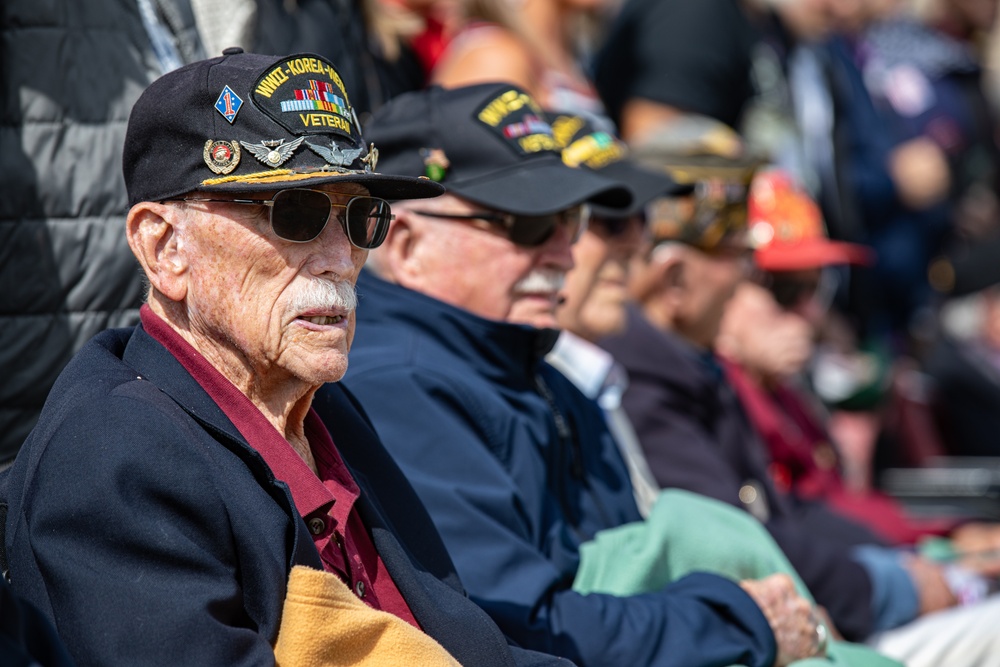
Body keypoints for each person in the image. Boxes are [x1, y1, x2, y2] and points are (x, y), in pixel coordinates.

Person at [1, 50, 572, 667]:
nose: (339, 257)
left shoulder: (328, 408)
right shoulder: (114, 450)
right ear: (165, 248)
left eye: (360, 217)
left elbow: (470, 642)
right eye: (294, 215)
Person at [338, 81, 826, 667]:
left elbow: (621, 577)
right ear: (409, 246)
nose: (564, 252)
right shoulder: (400, 385)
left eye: (571, 220)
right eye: (528, 225)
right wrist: (744, 621)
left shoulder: (533, 369)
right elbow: (522, 628)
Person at [601, 117, 1000, 664]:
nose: (809, 313)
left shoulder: (704, 376)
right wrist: (908, 578)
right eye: (777, 285)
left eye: (815, 288)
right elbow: (742, 548)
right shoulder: (642, 384)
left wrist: (930, 552)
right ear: (672, 280)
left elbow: (796, 516)